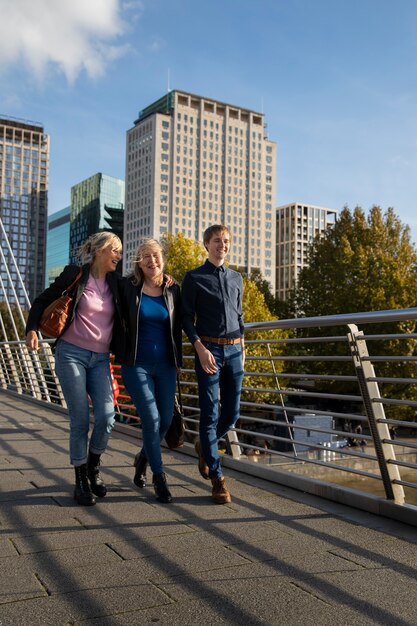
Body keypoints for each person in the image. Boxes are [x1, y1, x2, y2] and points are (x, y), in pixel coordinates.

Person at [25, 232, 123, 507]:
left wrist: (167, 281)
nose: (119, 256)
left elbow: (144, 288)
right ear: (102, 250)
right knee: (80, 419)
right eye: (115, 250)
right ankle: (81, 481)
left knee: (106, 416)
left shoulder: (117, 282)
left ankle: (93, 465)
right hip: (71, 354)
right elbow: (43, 300)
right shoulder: (75, 275)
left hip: (101, 359)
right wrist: (32, 329)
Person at [114, 239, 182, 504]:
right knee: (152, 419)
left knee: (165, 420)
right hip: (135, 364)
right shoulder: (126, 287)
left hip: (165, 366)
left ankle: (143, 456)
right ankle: (159, 477)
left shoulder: (173, 289)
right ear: (138, 263)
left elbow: (181, 324)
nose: (151, 260)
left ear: (162, 258)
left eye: (154, 256)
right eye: (145, 257)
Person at [182, 224, 245, 504]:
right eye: (218, 241)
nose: (223, 245)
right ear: (206, 244)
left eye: (227, 241)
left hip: (234, 352)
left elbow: (240, 316)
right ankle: (217, 479)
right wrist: (199, 347)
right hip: (207, 351)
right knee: (209, 415)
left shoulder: (237, 278)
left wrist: (243, 347)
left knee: (231, 414)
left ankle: (203, 446)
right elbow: (185, 318)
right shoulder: (194, 278)